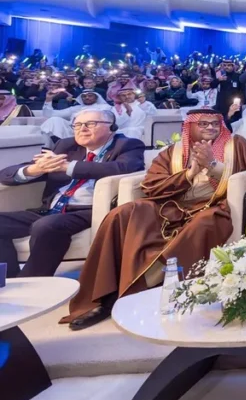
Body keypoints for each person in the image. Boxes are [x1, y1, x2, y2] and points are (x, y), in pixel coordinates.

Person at [60, 109, 246, 330]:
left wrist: (212, 165)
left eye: (214, 123)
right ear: (190, 126)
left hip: (212, 207)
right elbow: (151, 185)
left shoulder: (236, 145)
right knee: (122, 213)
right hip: (170, 207)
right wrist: (188, 174)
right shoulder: (174, 152)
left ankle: (141, 292)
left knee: (203, 225)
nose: (210, 128)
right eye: (203, 124)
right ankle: (100, 295)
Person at [0, 110, 145, 277]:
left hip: (88, 210)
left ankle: (30, 283)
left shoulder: (127, 145)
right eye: (77, 125)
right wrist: (35, 169)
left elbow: (123, 168)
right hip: (51, 209)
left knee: (46, 226)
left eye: (90, 124)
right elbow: (6, 174)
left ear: (111, 127)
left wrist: (68, 167)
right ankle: (7, 280)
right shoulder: (66, 146)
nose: (82, 129)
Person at [40, 89, 111, 141]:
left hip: (95, 131)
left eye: (90, 96)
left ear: (96, 97)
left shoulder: (106, 107)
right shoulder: (76, 108)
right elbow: (50, 114)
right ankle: (55, 146)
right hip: (74, 131)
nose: (87, 98)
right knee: (54, 120)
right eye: (84, 96)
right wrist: (48, 99)